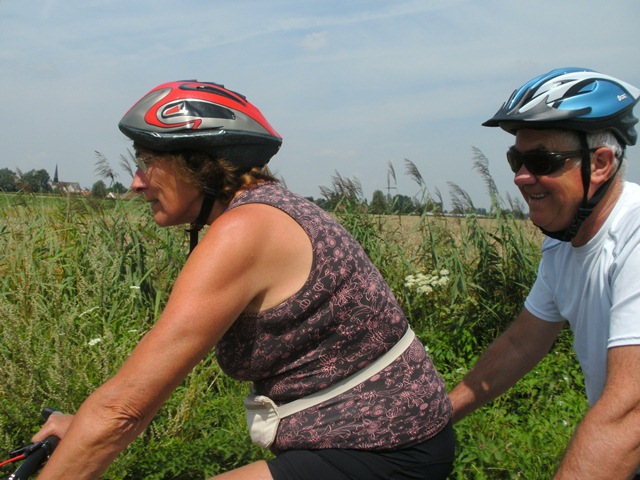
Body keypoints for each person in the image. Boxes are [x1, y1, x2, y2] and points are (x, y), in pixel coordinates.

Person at [32, 80, 455, 479]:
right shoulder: (267, 209)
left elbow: (124, 410)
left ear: (198, 164)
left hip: (384, 451)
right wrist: (85, 425)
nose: (136, 182)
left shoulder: (244, 231)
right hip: (389, 438)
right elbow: (135, 390)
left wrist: (92, 431)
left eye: (147, 162)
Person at [448, 67, 640, 479]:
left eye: (540, 161)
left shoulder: (635, 236)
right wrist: (438, 417)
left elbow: (629, 414)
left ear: (602, 163)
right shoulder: (561, 243)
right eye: (517, 159)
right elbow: (522, 343)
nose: (520, 177)